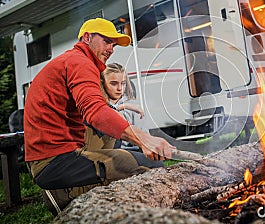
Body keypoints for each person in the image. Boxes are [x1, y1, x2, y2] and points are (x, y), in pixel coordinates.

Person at [24, 18, 175, 215]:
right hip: (54, 163)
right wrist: (143, 139)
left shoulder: (71, 61)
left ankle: (90, 197)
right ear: (87, 38)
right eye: (106, 41)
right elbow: (95, 112)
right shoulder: (79, 62)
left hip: (55, 158)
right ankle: (65, 199)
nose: (111, 49)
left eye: (113, 44)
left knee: (117, 142)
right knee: (146, 166)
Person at [85, 62, 164, 168]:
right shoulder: (97, 102)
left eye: (122, 83)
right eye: (113, 84)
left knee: (155, 162)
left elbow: (144, 136)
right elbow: (106, 116)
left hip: (129, 150)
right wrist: (122, 107)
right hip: (104, 150)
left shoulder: (133, 105)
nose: (119, 88)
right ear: (103, 84)